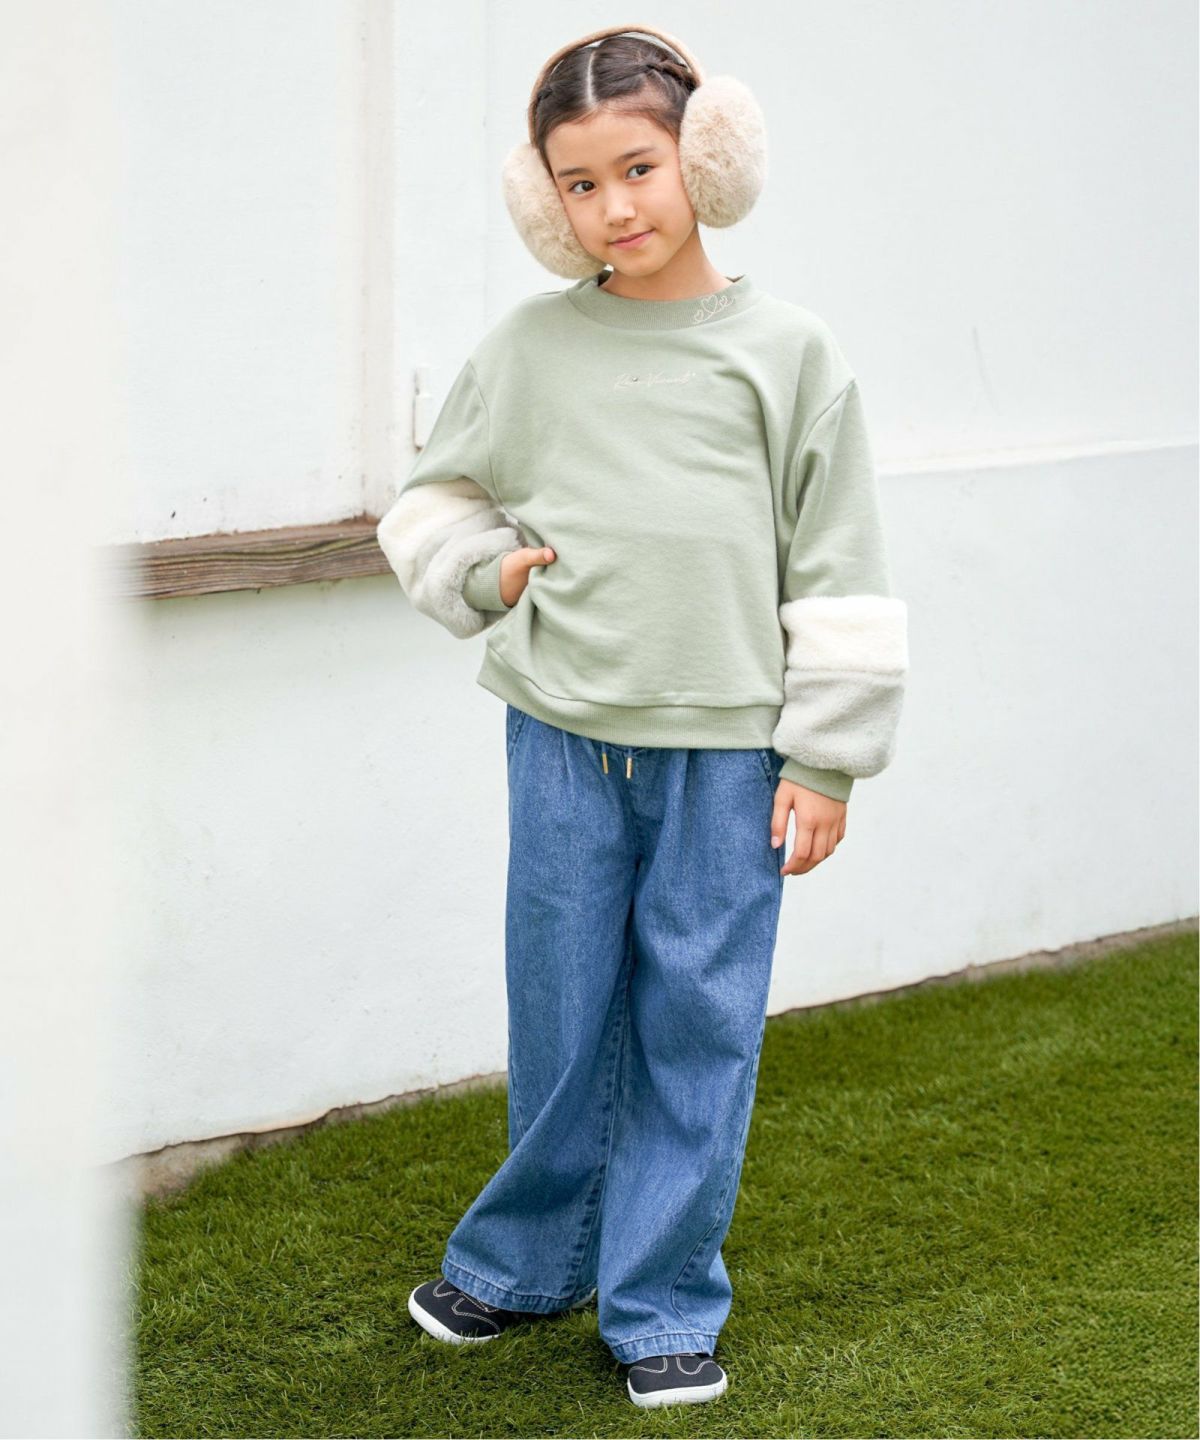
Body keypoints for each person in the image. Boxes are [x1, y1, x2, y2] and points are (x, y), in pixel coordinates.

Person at [376, 24, 909, 1411]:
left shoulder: (790, 354)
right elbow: (430, 502)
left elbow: (841, 563)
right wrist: (484, 569)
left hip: (730, 758)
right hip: (560, 735)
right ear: (543, 197)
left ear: (707, 158)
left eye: (639, 167)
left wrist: (827, 756)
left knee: (697, 1024)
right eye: (579, 182)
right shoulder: (528, 349)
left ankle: (663, 1300)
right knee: (560, 1012)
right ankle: (526, 1261)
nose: (614, 206)